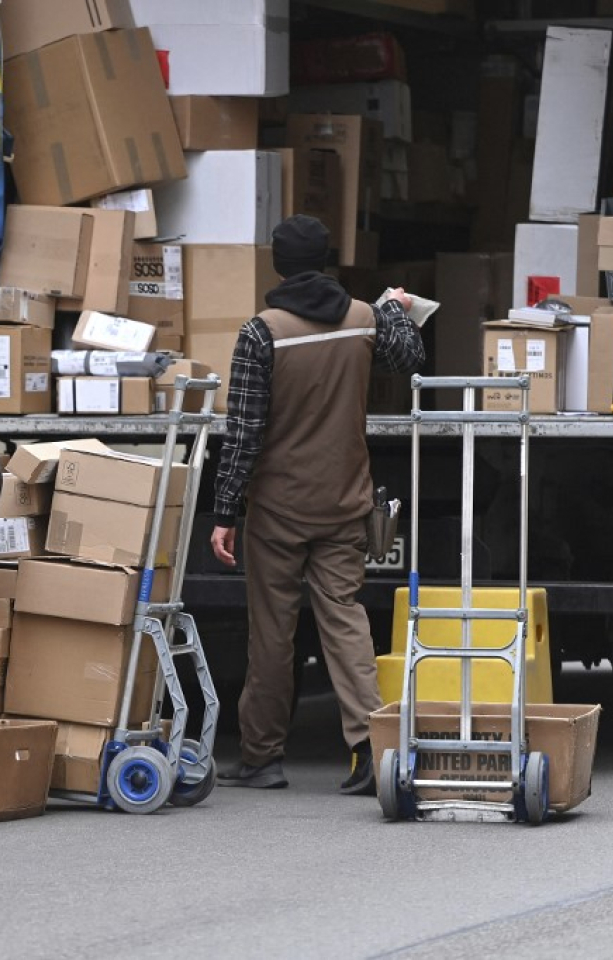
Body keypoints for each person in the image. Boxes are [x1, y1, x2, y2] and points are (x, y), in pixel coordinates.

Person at [211, 214, 425, 796]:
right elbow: (409, 356)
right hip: (345, 500)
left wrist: (225, 511)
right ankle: (369, 749)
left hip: (278, 509)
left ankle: (261, 756)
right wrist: (396, 308)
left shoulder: (262, 332)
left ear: (277, 263)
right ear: (329, 257)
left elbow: (245, 431)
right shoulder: (363, 318)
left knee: (273, 635)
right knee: (346, 621)